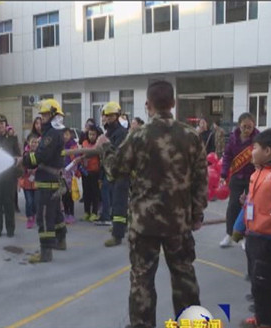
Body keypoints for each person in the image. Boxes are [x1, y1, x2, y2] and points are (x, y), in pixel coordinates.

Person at [75, 80, 207, 327]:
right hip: (179, 223)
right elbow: (201, 180)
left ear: (148, 106)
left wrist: (104, 148)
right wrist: (197, 214)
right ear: (173, 103)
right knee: (184, 277)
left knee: (142, 280)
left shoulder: (138, 137)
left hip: (144, 223)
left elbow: (115, 170)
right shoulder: (191, 137)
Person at [231, 128, 271, 328]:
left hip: (270, 241)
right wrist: (238, 227)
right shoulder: (257, 174)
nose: (251, 152)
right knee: (257, 284)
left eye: (255, 148)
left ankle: (265, 322)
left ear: (268, 151)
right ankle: (261, 317)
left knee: (264, 285)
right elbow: (251, 203)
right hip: (254, 238)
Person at [23, 99, 66, 263]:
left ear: (54, 115)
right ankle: (61, 241)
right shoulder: (54, 133)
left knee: (44, 217)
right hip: (52, 181)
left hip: (47, 183)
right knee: (55, 215)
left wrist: (27, 159)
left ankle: (45, 253)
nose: (42, 118)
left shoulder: (51, 135)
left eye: (46, 115)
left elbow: (41, 156)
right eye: (41, 115)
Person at [219, 113, 259, 248]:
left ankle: (245, 237)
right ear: (239, 125)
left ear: (254, 125)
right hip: (236, 177)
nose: (246, 130)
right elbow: (227, 157)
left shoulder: (258, 139)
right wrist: (223, 174)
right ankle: (229, 235)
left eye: (249, 127)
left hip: (253, 178)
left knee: (249, 209)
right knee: (232, 206)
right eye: (244, 127)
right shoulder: (233, 138)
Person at [101, 101, 130, 246]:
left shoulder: (121, 133)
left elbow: (117, 154)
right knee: (116, 202)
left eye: (110, 116)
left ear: (116, 116)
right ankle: (121, 227)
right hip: (112, 173)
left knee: (119, 204)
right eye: (106, 116)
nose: (107, 119)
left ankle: (117, 236)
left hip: (121, 174)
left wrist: (105, 144)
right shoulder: (110, 132)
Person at [0, 114, 21, 237]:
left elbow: (18, 155)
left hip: (9, 177)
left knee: (9, 204)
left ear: (5, 125)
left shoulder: (12, 139)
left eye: (2, 123)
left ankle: (10, 230)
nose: (0, 126)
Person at [80, 125, 101, 223]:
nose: (91, 136)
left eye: (93, 134)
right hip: (85, 172)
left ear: (97, 135)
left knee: (95, 194)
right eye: (89, 134)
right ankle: (86, 212)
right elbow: (80, 154)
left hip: (95, 172)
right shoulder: (84, 143)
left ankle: (94, 212)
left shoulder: (98, 144)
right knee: (86, 193)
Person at [21, 134, 39, 229]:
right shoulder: (25, 154)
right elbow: (22, 167)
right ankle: (29, 217)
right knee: (29, 201)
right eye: (32, 142)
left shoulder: (40, 154)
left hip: (37, 182)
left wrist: (36, 170)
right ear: (28, 143)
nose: (34, 144)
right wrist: (27, 171)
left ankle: (35, 215)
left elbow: (42, 165)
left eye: (36, 142)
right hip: (27, 182)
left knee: (36, 201)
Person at [62, 128, 80, 225]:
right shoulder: (60, 145)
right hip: (61, 173)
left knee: (70, 195)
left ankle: (71, 214)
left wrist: (70, 169)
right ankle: (66, 213)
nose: (65, 136)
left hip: (70, 174)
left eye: (67, 134)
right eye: (63, 134)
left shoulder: (73, 146)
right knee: (64, 195)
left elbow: (76, 159)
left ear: (70, 135)